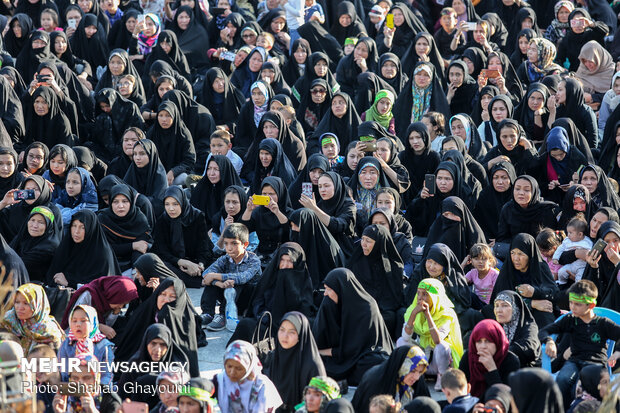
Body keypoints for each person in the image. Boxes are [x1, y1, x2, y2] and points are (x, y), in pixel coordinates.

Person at [540, 280, 620, 407]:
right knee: (562, 380)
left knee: (580, 386)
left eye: (578, 304)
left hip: (596, 364)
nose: (572, 307)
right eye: (571, 303)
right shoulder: (571, 319)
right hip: (575, 361)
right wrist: (549, 341)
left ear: (591, 306)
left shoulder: (603, 323)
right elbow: (545, 330)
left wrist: (617, 352)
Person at [312, 268, 393, 385]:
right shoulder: (330, 302)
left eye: (329, 289)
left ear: (341, 289)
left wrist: (319, 352)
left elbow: (354, 349)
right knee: (313, 362)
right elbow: (319, 334)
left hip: (363, 354)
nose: (325, 293)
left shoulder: (367, 308)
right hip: (340, 355)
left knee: (374, 363)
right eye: (325, 289)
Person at [114, 277, 199, 377]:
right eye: (163, 294)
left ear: (179, 300)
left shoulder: (186, 321)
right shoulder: (147, 311)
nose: (166, 300)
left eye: (172, 296)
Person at [398, 278, 463, 391]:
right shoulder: (412, 309)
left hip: (441, 360)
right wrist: (413, 314)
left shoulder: (446, 313)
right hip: (424, 357)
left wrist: (428, 315)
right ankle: (412, 372)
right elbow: (405, 337)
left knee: (442, 346)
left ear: (435, 297)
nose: (420, 298)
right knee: (401, 342)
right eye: (418, 293)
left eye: (425, 294)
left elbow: (438, 340)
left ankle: (442, 378)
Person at [200, 223, 262, 332]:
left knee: (234, 282)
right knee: (213, 281)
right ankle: (208, 314)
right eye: (226, 243)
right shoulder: (225, 258)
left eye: (234, 243)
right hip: (228, 297)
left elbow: (242, 277)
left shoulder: (254, 260)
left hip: (247, 300)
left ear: (245, 244)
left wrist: (216, 276)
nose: (229, 248)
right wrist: (218, 283)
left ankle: (223, 315)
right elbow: (206, 273)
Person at [347, 224, 403, 335]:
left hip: (383, 308)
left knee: (389, 318)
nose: (363, 244)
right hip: (360, 306)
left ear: (379, 243)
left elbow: (395, 298)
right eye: (362, 239)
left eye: (368, 241)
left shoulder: (393, 267)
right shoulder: (357, 261)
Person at [153, 186, 214, 288]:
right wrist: (181, 261)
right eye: (167, 204)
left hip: (195, 262)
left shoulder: (197, 216)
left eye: (175, 204)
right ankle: (199, 282)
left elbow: (203, 247)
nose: (171, 208)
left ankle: (196, 276)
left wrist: (200, 266)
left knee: (215, 264)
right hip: (174, 262)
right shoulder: (163, 219)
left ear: (182, 202)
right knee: (157, 265)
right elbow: (162, 251)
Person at [264, 311, 326, 412]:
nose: (285, 336)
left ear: (300, 336)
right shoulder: (274, 357)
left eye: (292, 332)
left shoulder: (313, 365)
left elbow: (319, 404)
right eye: (282, 330)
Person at [117, 323, 190, 406]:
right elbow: (122, 395)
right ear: (146, 343)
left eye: (162, 345)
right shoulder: (134, 364)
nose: (158, 350)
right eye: (153, 343)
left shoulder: (178, 365)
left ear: (169, 346)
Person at [352, 345, 430, 413]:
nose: (417, 377)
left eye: (420, 372)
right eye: (412, 371)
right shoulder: (375, 381)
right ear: (401, 366)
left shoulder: (417, 380)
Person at [213, 340, 283, 413]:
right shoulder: (221, 380)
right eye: (229, 366)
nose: (232, 372)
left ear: (249, 367)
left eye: (239, 368)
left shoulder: (261, 386)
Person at [60, 275, 138, 339]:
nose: (121, 306)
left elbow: (108, 325)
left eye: (124, 304)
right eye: (120, 303)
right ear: (112, 295)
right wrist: (99, 326)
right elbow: (74, 321)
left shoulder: (112, 303)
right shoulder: (89, 295)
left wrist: (114, 313)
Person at [459, 319, 520, 399]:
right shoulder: (469, 357)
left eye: (488, 341)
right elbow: (458, 390)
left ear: (497, 341)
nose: (483, 346)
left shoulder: (510, 361)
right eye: (479, 341)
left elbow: (506, 398)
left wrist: (492, 369)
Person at [98, 184, 152, 272]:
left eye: (125, 201)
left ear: (131, 202)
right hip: (107, 263)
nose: (120, 206)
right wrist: (132, 246)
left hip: (133, 262)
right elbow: (104, 249)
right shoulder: (103, 219)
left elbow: (141, 247)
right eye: (115, 202)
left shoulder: (139, 219)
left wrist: (136, 271)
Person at [58, 305, 114, 387]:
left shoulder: (103, 346)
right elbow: (63, 373)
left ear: (92, 322)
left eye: (83, 321)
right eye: (74, 321)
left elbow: (106, 375)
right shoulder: (67, 344)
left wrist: (97, 393)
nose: (78, 324)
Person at [1, 283, 64, 353]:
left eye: (26, 303)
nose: (20, 307)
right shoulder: (8, 321)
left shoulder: (49, 331)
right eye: (17, 302)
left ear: (38, 305)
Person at [241, 176, 293, 258]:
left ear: (280, 194)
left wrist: (277, 212)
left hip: (283, 255)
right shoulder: (258, 212)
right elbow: (244, 229)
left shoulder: (289, 212)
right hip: (261, 255)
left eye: (271, 194)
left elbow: (289, 231)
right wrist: (248, 210)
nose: (268, 197)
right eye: (264, 194)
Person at [51, 354, 122, 413]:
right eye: (75, 378)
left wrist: (93, 411)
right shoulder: (66, 398)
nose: (80, 382)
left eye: (86, 378)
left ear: (96, 379)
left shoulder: (110, 400)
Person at [496, 176, 559, 242]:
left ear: (534, 191)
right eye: (517, 189)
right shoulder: (508, 209)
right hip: (515, 249)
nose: (521, 193)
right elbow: (502, 238)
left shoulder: (546, 209)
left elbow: (551, 240)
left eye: (526, 190)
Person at [9, 206, 60, 282]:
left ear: (48, 226)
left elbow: (18, 266)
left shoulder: (49, 246)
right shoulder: (22, 237)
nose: (35, 225)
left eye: (41, 222)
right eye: (32, 220)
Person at [553, 216, 593, 286]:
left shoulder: (587, 242)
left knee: (580, 279)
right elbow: (560, 249)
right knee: (561, 272)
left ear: (580, 234)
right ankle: (561, 283)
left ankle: (577, 290)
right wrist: (555, 258)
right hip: (571, 264)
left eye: (570, 233)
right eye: (567, 232)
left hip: (582, 266)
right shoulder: (567, 240)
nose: (568, 235)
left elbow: (590, 251)